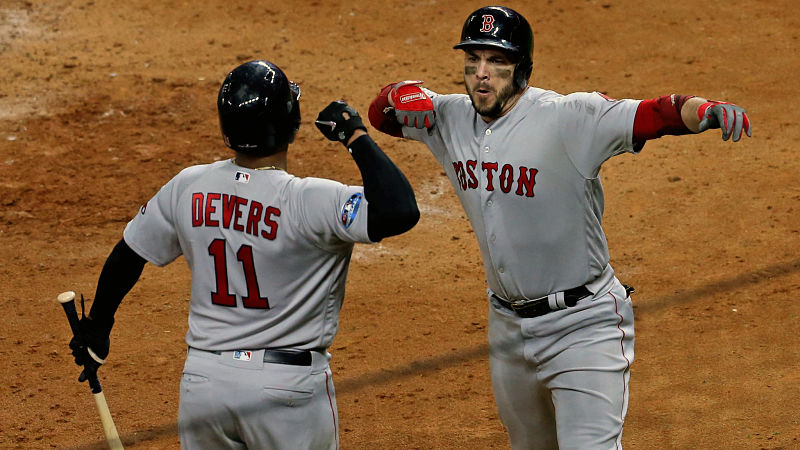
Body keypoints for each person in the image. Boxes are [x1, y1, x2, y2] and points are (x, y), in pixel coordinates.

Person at [367, 5, 751, 450]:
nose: (482, 75)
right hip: (507, 327)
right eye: (473, 62)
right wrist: (399, 92)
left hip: (583, 324)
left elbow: (656, 114)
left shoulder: (569, 117)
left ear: (522, 69)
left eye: (497, 62)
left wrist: (706, 110)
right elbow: (382, 115)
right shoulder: (451, 117)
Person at [67, 59, 419, 449]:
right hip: (286, 391)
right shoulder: (311, 200)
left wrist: (98, 326)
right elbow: (399, 210)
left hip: (205, 386)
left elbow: (129, 253)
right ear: (291, 124)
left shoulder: (188, 186)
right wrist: (355, 134)